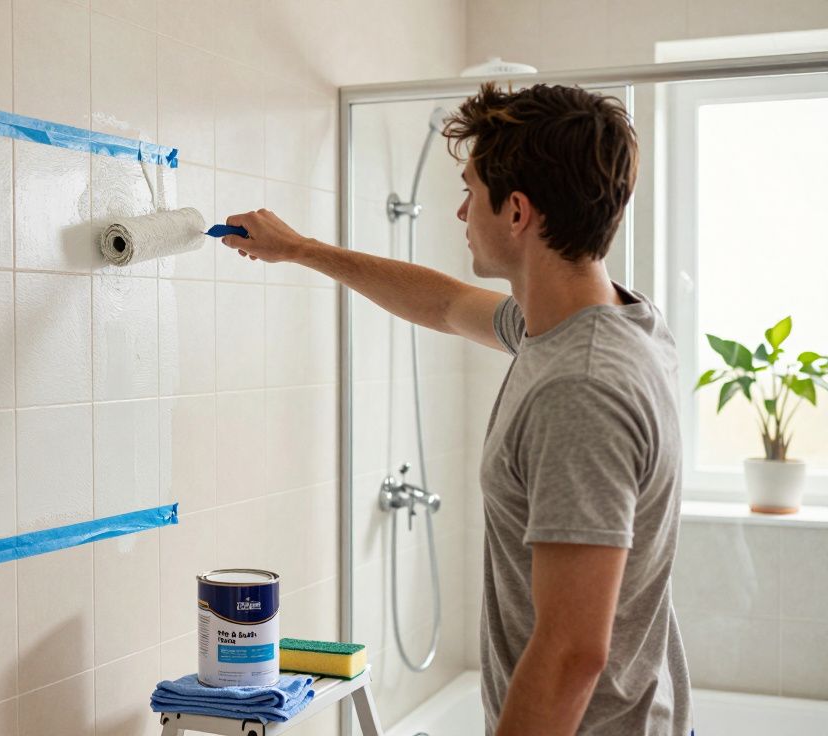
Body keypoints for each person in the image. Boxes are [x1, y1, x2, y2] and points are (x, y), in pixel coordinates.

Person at [222, 82, 691, 735]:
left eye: (471, 191)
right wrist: (303, 250)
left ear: (518, 212)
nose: (462, 211)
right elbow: (444, 304)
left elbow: (571, 655)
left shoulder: (579, 388)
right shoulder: (596, 322)